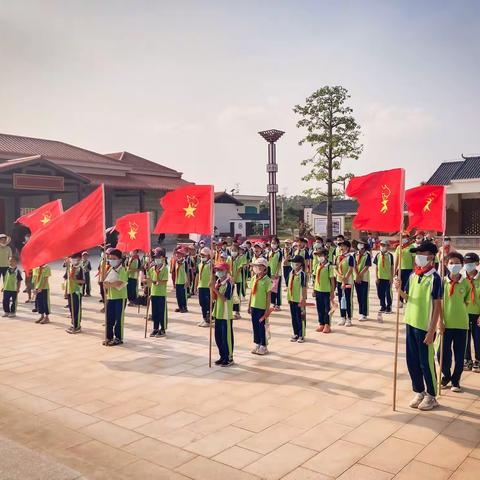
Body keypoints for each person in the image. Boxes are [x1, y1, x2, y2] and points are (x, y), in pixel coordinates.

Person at [394, 241, 442, 411]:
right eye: (417, 253)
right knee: (412, 360)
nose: (419, 257)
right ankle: (419, 390)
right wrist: (399, 290)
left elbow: (437, 306)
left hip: (424, 326)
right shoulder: (414, 275)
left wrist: (432, 330)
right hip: (411, 323)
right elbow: (408, 297)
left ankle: (431, 395)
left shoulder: (435, 278)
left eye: (422, 253)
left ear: (431, 256)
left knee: (425, 362)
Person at [439, 252, 470, 392]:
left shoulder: (466, 283)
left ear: (462, 265)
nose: (454, 266)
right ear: (446, 264)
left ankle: (456, 380)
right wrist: (440, 321)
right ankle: (446, 375)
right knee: (441, 353)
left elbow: (467, 301)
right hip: (445, 324)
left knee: (459, 355)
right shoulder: (442, 282)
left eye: (457, 263)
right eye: (451, 263)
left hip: (461, 324)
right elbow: (438, 303)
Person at [103, 249, 128, 346]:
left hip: (120, 297)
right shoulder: (110, 269)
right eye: (110, 258)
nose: (111, 260)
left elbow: (121, 282)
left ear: (120, 260)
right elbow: (106, 280)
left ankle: (118, 337)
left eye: (114, 258)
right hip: (111, 297)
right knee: (109, 318)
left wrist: (110, 285)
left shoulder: (122, 269)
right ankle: (109, 337)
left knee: (119, 319)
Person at [248, 257, 272, 355]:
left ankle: (263, 345)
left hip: (262, 307)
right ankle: (257, 343)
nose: (256, 268)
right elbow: (251, 293)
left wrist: (267, 310)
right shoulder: (254, 278)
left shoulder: (267, 280)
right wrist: (249, 305)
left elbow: (268, 296)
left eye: (258, 266)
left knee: (262, 326)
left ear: (264, 268)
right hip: (254, 306)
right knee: (255, 326)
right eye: (255, 266)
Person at [212, 262, 234, 366]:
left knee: (226, 337)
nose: (218, 272)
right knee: (218, 336)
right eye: (217, 270)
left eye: (220, 270)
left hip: (225, 313)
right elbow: (215, 297)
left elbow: (225, 298)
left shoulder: (229, 283)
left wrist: (214, 289)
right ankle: (222, 356)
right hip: (218, 312)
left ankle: (229, 357)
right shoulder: (218, 281)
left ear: (226, 271)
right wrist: (212, 289)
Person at [146, 249, 169, 337]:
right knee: (154, 312)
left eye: (159, 257)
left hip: (161, 293)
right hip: (154, 292)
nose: (157, 259)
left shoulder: (165, 268)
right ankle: (155, 328)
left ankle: (162, 328)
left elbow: (164, 281)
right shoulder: (152, 269)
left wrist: (154, 281)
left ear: (163, 258)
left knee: (161, 312)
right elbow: (149, 279)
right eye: (155, 257)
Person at [464, 252, 480, 372]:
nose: (468, 265)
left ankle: (478, 360)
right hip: (463, 314)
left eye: (471, 263)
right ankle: (467, 359)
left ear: (477, 263)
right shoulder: (461, 279)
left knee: (478, 338)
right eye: (466, 263)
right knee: (465, 339)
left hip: (477, 314)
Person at [313, 248, 335, 333]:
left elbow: (332, 280)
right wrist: (314, 290)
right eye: (318, 256)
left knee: (327, 309)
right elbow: (315, 279)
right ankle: (321, 323)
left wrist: (332, 292)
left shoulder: (329, 267)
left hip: (326, 291)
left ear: (326, 256)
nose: (319, 257)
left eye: (321, 255)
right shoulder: (317, 265)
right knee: (319, 308)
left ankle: (327, 324)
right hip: (318, 290)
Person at [287, 255, 307, 342]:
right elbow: (289, 285)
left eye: (296, 263)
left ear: (301, 264)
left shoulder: (302, 274)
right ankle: (295, 333)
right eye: (293, 262)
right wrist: (289, 297)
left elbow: (304, 287)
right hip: (292, 299)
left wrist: (303, 299)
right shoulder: (291, 272)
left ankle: (301, 335)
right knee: (294, 317)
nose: (294, 264)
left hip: (299, 299)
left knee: (300, 317)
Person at [334, 240, 355, 326]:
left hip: (348, 282)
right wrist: (339, 275)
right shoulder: (337, 257)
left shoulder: (350, 257)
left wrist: (344, 279)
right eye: (340, 246)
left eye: (343, 246)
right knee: (340, 300)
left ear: (347, 247)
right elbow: (335, 268)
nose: (341, 248)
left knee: (347, 299)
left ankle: (349, 318)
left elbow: (350, 269)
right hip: (339, 281)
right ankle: (342, 317)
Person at [65, 252, 85, 334]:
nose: (72, 260)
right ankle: (73, 324)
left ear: (79, 259)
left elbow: (83, 281)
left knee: (76, 309)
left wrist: (74, 280)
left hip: (77, 291)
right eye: (71, 259)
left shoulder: (80, 268)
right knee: (71, 308)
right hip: (70, 290)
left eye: (74, 258)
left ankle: (77, 326)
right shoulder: (71, 267)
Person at [374, 240, 394, 318]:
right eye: (381, 245)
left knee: (388, 293)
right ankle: (383, 305)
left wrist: (391, 278)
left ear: (388, 246)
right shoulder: (378, 255)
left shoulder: (390, 255)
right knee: (380, 293)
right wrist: (376, 277)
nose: (382, 246)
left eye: (384, 245)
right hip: (380, 278)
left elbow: (392, 267)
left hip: (387, 278)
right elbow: (376, 267)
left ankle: (389, 306)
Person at [394, 234, 415, 308]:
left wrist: (413, 270)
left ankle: (408, 301)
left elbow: (413, 260)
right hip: (400, 269)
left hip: (409, 270)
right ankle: (400, 301)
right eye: (402, 237)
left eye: (405, 237)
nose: (403, 239)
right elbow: (396, 260)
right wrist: (395, 270)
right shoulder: (399, 247)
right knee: (400, 285)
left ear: (408, 238)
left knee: (408, 286)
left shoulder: (411, 247)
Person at [354, 239, 371, 321]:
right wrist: (357, 276)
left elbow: (367, 266)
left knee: (364, 296)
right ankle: (360, 312)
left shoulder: (367, 255)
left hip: (364, 278)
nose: (360, 245)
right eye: (359, 244)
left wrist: (360, 275)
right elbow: (353, 265)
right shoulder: (355, 254)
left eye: (362, 244)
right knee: (359, 296)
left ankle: (364, 314)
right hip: (356, 278)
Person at [196, 247, 212, 327]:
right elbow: (198, 275)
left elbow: (213, 276)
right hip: (201, 286)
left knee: (207, 303)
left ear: (209, 255)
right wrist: (196, 286)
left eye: (204, 255)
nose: (202, 257)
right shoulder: (200, 264)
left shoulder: (210, 265)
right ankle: (204, 318)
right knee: (202, 303)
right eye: (201, 255)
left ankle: (208, 319)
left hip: (208, 287)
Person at [231, 244, 247, 319]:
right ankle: (232, 310)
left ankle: (237, 312)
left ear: (238, 251)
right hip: (230, 280)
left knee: (236, 296)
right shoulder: (229, 259)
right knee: (231, 296)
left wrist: (234, 279)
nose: (233, 252)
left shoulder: (240, 259)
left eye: (235, 250)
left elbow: (239, 269)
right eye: (232, 250)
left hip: (237, 280)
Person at [268, 237, 283, 311]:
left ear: (278, 244)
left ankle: (278, 304)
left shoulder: (279, 252)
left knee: (277, 289)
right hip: (270, 274)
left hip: (277, 274)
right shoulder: (269, 252)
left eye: (274, 243)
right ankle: (273, 303)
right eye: (272, 243)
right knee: (271, 289)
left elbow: (279, 263)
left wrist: (277, 273)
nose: (273, 244)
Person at [173, 249, 189, 313]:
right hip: (177, 281)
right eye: (177, 253)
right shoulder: (176, 262)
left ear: (182, 255)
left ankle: (184, 307)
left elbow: (186, 272)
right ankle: (180, 307)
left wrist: (187, 281)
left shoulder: (184, 262)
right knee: (178, 295)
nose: (177, 255)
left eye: (179, 253)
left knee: (183, 295)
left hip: (183, 281)